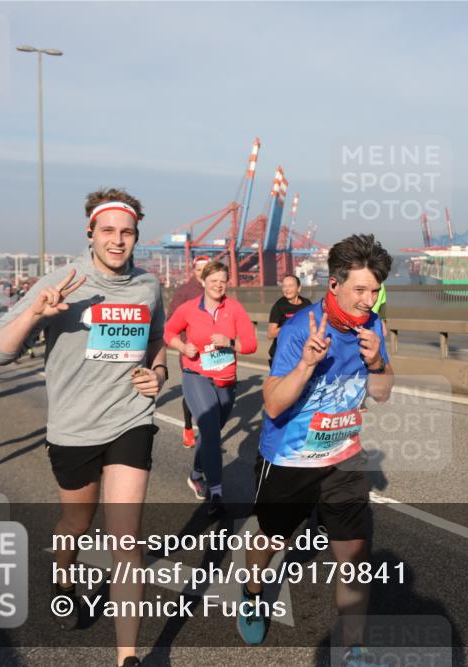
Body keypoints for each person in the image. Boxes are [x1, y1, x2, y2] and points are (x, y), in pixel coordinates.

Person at [0, 188, 165, 667]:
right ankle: (64, 573)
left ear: (136, 237)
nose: (118, 240)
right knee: (77, 524)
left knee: (127, 539)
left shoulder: (148, 286)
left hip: (131, 418)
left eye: (127, 232)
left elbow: (157, 339)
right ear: (91, 232)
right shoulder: (63, 280)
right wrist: (35, 314)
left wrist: (159, 373)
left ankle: (128, 657)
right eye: (108, 230)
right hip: (73, 428)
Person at [238, 234, 393, 664]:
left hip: (343, 456)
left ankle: (354, 649)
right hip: (289, 460)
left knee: (355, 554)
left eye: (375, 290)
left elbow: (382, 393)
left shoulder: (375, 326)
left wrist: (378, 362)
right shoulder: (296, 330)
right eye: (360, 290)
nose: (368, 299)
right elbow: (271, 404)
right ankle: (252, 591)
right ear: (334, 286)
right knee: (271, 539)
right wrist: (307, 364)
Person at [164, 260, 256, 516]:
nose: (218, 285)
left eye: (222, 281)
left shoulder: (234, 309)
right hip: (196, 375)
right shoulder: (189, 308)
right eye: (213, 280)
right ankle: (216, 492)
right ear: (203, 282)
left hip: (226, 380)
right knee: (210, 430)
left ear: (227, 283)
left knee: (211, 431)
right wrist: (182, 348)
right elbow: (168, 330)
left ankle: (196, 473)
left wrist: (231, 343)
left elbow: (250, 344)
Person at [167, 255, 211, 447]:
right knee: (192, 392)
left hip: (212, 351)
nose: (202, 273)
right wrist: (184, 345)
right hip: (191, 351)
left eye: (206, 269)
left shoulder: (216, 288)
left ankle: (209, 436)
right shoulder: (184, 292)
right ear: (194, 271)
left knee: (211, 394)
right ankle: (187, 429)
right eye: (199, 269)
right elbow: (171, 322)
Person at [266, 274, 312, 367]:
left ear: (299, 288)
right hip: (282, 355)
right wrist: (290, 326)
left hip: (301, 354)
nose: (287, 289)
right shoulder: (279, 306)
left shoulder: (307, 304)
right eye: (284, 286)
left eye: (290, 286)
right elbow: (270, 334)